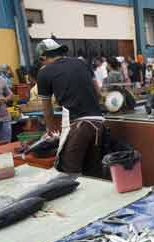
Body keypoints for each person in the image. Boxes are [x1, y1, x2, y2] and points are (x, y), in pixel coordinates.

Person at [36, 38, 105, 177]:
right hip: (99, 123)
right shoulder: (81, 63)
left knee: (69, 172)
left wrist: (50, 131)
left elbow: (47, 107)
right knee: (93, 172)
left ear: (43, 57)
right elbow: (98, 93)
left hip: (79, 126)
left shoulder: (44, 72)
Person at [0, 74, 13, 142]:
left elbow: (10, 94)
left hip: (4, 117)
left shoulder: (0, 79)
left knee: (6, 144)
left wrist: (5, 99)